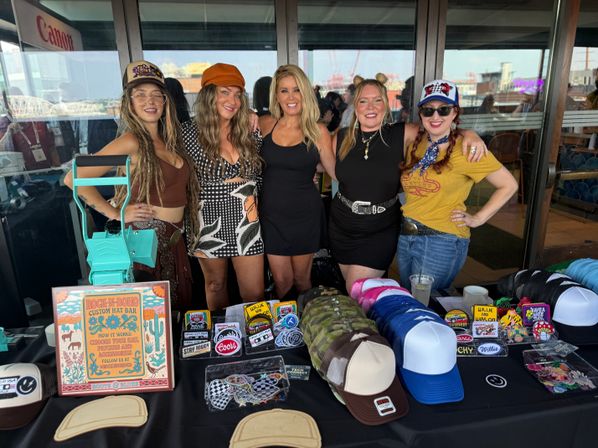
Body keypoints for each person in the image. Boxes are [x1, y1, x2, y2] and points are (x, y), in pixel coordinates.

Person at [329, 78, 489, 293]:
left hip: (379, 228)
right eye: (364, 101)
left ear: (386, 104)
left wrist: (469, 134)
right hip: (342, 224)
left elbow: (438, 131)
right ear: (355, 106)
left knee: (356, 291)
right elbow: (318, 163)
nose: (371, 107)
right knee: (358, 292)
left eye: (377, 100)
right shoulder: (340, 138)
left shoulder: (402, 133)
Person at [64, 60, 200, 309]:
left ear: (165, 101)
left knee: (176, 315)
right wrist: (115, 212)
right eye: (141, 95)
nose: (150, 101)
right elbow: (74, 178)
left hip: (174, 241)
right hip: (145, 245)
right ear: (130, 103)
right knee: (153, 318)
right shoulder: (131, 141)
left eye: (156, 95)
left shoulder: (170, 140)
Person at [398, 79, 518, 291]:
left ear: (454, 113)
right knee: (409, 301)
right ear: (421, 114)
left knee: (425, 305)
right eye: (428, 110)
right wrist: (467, 131)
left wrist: (478, 218)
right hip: (407, 235)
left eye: (443, 110)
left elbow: (508, 185)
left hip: (440, 241)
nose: (435, 116)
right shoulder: (416, 141)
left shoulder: (468, 149)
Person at [182, 63, 264, 310]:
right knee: (215, 285)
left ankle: (256, 343)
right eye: (225, 92)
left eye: (238, 94)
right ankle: (224, 341)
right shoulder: (187, 133)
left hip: (246, 218)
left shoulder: (249, 130)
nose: (233, 100)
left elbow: (260, 175)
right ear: (209, 95)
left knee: (255, 292)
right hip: (207, 219)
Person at [259, 64, 336, 299]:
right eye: (284, 91)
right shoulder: (264, 124)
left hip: (305, 216)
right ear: (276, 95)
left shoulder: (317, 130)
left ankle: (306, 331)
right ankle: (284, 332)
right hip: (271, 215)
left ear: (305, 93)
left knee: (302, 280)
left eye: (296, 90)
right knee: (282, 282)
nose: (291, 97)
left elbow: (335, 171)